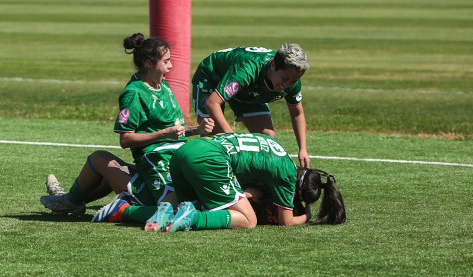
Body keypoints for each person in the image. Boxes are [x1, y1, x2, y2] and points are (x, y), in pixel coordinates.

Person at [40, 32, 214, 225]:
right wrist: (164, 134)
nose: (171, 66)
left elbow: (174, 131)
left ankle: (71, 201)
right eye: (166, 61)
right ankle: (72, 201)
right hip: (155, 165)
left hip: (174, 162)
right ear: (149, 63)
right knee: (100, 158)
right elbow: (126, 139)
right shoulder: (134, 93)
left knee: (108, 172)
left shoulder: (162, 86)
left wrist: (196, 130)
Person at [143, 133, 346, 233]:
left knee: (192, 203)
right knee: (249, 221)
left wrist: (248, 194)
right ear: (297, 191)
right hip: (209, 159)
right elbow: (287, 222)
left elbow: (245, 183)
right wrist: (306, 216)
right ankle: (192, 218)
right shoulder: (287, 178)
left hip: (188, 150)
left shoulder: (277, 150)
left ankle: (162, 211)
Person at [192, 44, 311, 168]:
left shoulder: (292, 81)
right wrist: (232, 138)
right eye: (285, 78)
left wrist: (302, 148)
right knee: (216, 138)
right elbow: (212, 103)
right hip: (213, 77)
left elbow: (297, 114)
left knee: (267, 139)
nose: (287, 85)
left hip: (246, 89)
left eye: (293, 81)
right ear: (273, 65)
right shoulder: (247, 70)